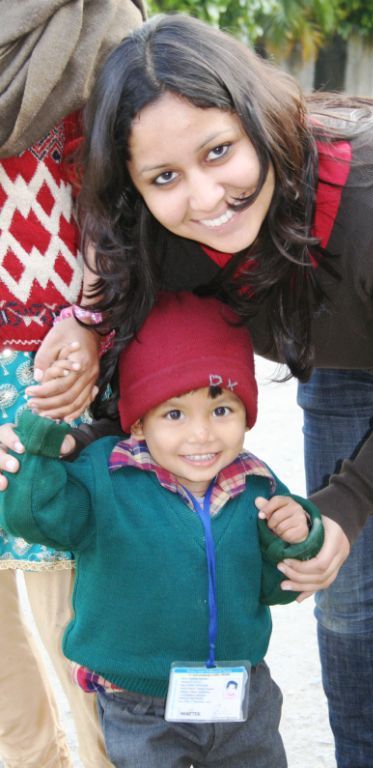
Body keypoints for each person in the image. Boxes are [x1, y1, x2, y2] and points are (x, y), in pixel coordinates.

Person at [3, 12, 373, 767]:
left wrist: (352, 499)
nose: (205, 198)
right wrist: (82, 407)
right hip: (351, 353)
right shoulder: (162, 242)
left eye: (218, 151)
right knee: (352, 603)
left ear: (257, 117)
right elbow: (154, 374)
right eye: (164, 177)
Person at [0, 291, 324, 768]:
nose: (202, 434)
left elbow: (275, 587)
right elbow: (34, 517)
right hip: (140, 709)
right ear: (137, 423)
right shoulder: (105, 478)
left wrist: (295, 537)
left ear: (247, 414)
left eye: (222, 410)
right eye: (174, 414)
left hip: (241, 699)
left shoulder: (257, 482)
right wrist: (41, 442)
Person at [0, 1, 146, 766]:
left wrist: (89, 320)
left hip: (66, 364)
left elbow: (121, 201)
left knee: (80, 627)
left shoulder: (104, 25)